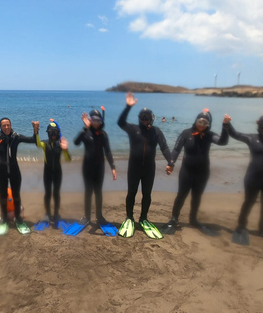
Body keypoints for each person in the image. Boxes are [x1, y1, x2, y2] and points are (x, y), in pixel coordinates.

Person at [160, 109, 229, 236]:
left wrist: (225, 126)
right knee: (181, 195)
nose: (201, 125)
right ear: (196, 121)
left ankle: (193, 219)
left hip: (202, 173)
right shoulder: (186, 133)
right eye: (200, 121)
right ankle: (174, 218)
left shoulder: (209, 136)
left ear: (208, 124)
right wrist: (171, 163)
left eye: (205, 122)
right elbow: (176, 150)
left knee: (197, 196)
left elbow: (222, 142)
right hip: (187, 171)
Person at [117, 92, 173, 239]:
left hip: (149, 169)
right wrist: (128, 107)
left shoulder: (156, 132)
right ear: (139, 119)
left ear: (152, 119)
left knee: (147, 194)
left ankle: (143, 218)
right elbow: (120, 122)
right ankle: (129, 217)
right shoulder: (133, 129)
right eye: (142, 118)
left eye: (147, 118)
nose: (144, 120)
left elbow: (165, 148)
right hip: (134, 168)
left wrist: (171, 161)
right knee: (132, 193)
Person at [225, 112, 263, 248]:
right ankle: (241, 226)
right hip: (253, 178)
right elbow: (235, 134)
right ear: (258, 125)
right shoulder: (252, 138)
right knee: (249, 201)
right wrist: (227, 124)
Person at [64, 108, 117, 236]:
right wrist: (84, 128)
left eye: (98, 120)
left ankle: (99, 217)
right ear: (89, 120)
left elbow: (108, 152)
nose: (96, 122)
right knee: (88, 192)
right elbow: (76, 143)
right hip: (87, 168)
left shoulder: (103, 135)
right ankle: (86, 216)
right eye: (93, 120)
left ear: (101, 121)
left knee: (98, 193)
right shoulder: (86, 133)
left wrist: (113, 167)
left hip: (100, 168)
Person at [33, 120, 71, 230]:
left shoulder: (61, 144)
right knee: (48, 193)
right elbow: (37, 143)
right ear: (48, 133)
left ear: (58, 133)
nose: (53, 135)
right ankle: (48, 214)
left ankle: (56, 214)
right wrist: (36, 131)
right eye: (51, 132)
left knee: (56, 194)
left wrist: (66, 149)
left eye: (55, 132)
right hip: (47, 172)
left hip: (58, 172)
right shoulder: (45, 143)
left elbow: (68, 159)